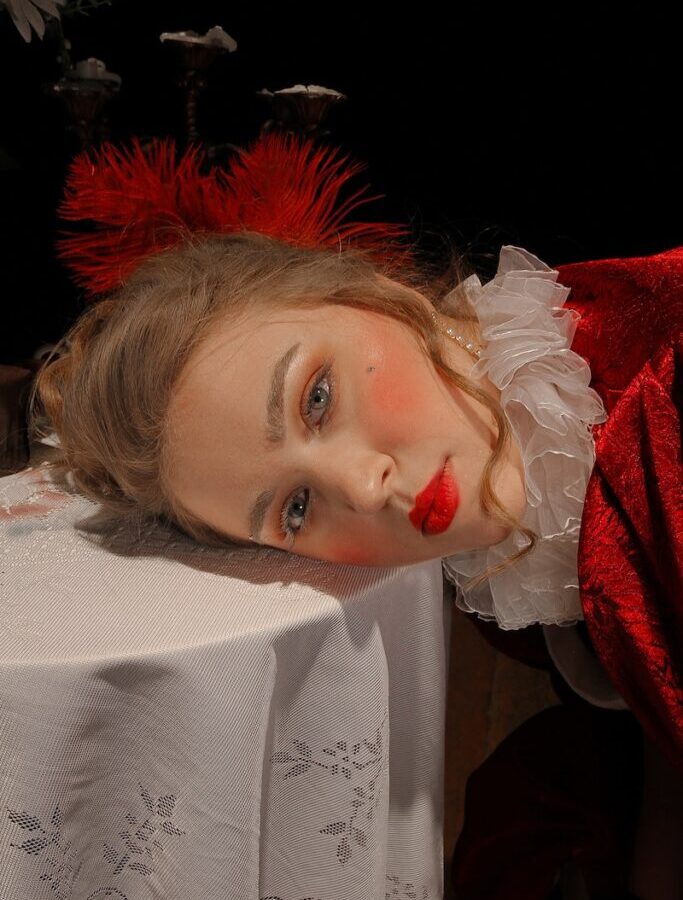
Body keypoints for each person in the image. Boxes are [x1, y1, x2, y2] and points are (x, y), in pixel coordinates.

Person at [27, 130, 683, 894]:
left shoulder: (662, 413)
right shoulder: (532, 530)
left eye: (316, 397)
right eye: (295, 508)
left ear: (383, 298)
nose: (366, 490)